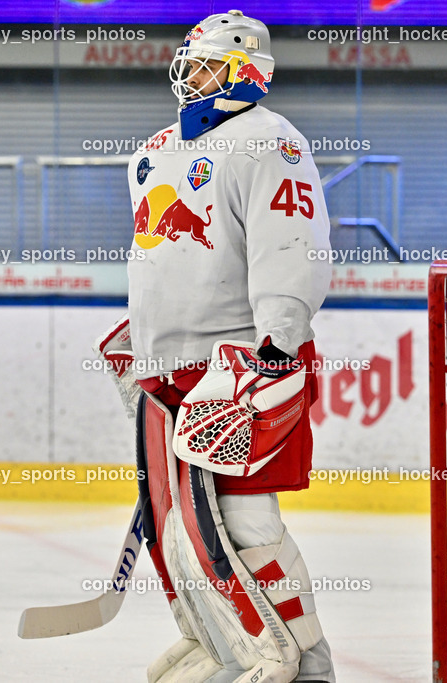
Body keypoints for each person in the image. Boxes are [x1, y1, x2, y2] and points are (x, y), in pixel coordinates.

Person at [96, 10, 335, 683]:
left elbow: (292, 246)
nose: (191, 76)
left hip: (239, 363)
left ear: (243, 71)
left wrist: (279, 340)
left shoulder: (269, 142)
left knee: (245, 517)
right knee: (178, 530)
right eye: (191, 63)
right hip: (166, 369)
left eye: (206, 65)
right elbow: (155, 257)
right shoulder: (154, 150)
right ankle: (225, 645)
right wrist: (138, 340)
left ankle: (308, 662)